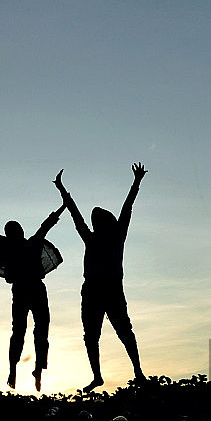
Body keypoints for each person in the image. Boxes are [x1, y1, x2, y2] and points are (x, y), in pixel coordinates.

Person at [53, 164, 146, 393]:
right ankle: (100, 376)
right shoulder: (93, 237)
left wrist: (136, 182)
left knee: (123, 331)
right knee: (94, 336)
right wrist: (62, 191)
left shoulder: (115, 235)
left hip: (110, 288)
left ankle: (137, 372)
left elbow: (127, 207)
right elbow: (76, 215)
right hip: (94, 289)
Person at [0, 199, 65, 391]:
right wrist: (64, 205)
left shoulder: (5, 243)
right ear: (20, 232)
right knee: (40, 330)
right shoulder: (30, 243)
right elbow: (46, 225)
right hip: (34, 289)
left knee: (20, 331)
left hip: (21, 290)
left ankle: (16, 369)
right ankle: (34, 369)